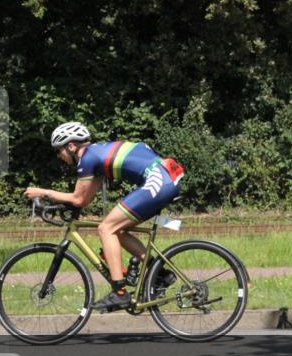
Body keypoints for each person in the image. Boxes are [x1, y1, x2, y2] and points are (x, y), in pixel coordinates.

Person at [25, 122, 184, 311]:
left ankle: (120, 293)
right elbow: (83, 200)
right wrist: (60, 203)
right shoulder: (97, 156)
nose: (59, 157)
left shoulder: (88, 158)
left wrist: (43, 192)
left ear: (71, 146)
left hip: (158, 180)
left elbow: (77, 198)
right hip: (164, 178)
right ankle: (161, 274)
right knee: (118, 229)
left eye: (59, 151)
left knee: (106, 228)